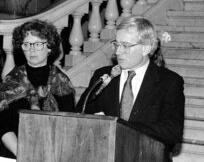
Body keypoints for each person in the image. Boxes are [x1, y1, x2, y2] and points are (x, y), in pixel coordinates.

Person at [76, 16, 185, 161]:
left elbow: (172, 132)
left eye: (126, 46)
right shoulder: (102, 76)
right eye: (116, 44)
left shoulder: (169, 82)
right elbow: (78, 114)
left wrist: (118, 126)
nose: (118, 52)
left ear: (146, 48)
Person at [0, 19, 76, 158]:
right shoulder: (10, 82)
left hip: (52, 155)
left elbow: (69, 126)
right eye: (27, 44)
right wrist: (24, 154)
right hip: (14, 155)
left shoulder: (62, 82)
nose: (31, 49)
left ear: (49, 47)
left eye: (38, 44)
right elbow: (3, 126)